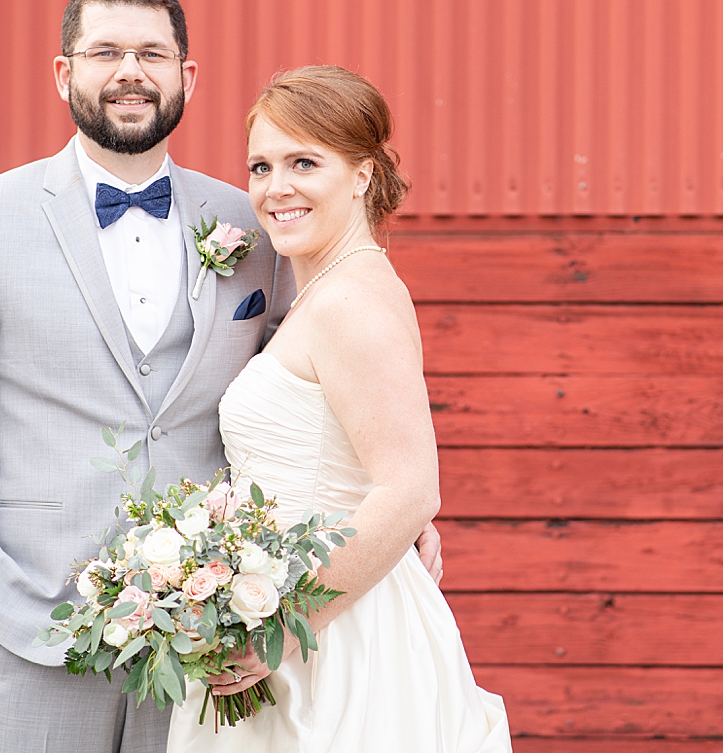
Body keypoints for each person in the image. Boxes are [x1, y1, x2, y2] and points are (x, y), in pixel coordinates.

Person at [0, 0, 444, 753]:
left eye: (152, 52)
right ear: (64, 73)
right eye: (105, 50)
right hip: (34, 627)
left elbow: (326, 386)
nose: (130, 71)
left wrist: (401, 504)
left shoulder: (249, 220)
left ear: (186, 76)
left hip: (209, 640)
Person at [168, 67, 510, 752]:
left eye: (305, 161)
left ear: (362, 174)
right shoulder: (328, 291)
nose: (275, 186)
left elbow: (410, 488)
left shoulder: (352, 300)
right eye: (260, 166)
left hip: (333, 637)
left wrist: (283, 624)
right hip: (297, 616)